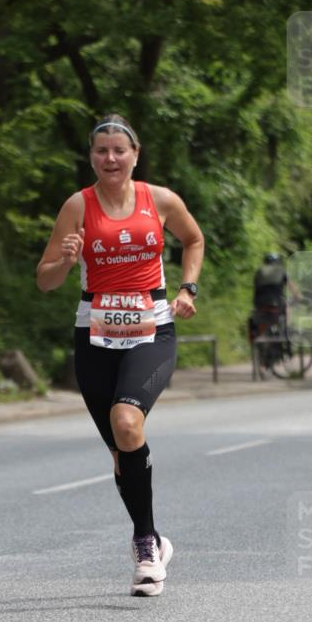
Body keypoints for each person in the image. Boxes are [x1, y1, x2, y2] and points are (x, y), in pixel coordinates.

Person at [36, 114, 204, 597]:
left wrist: (188, 288)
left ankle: (144, 545)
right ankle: (153, 539)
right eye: (101, 151)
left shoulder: (160, 200)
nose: (110, 158)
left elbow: (193, 239)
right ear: (91, 157)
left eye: (118, 150)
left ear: (135, 154)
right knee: (120, 453)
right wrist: (65, 261)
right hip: (94, 336)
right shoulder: (77, 206)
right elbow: (45, 280)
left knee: (127, 421)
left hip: (152, 330)